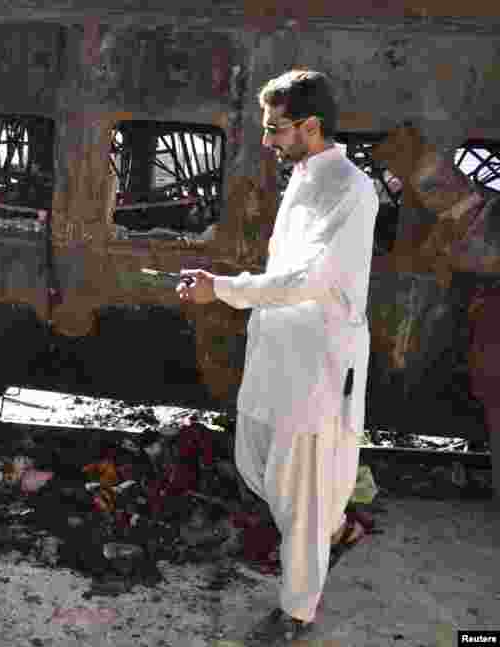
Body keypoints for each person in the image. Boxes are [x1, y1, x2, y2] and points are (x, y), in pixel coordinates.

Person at [177, 69, 379, 645]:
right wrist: (235, 292)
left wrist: (224, 288)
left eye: (275, 129)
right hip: (278, 354)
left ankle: (297, 612)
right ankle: (333, 529)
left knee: (301, 492)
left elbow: (308, 278)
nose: (267, 141)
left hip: (315, 365)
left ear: (310, 126)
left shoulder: (349, 187)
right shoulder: (305, 175)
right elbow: (283, 276)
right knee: (261, 465)